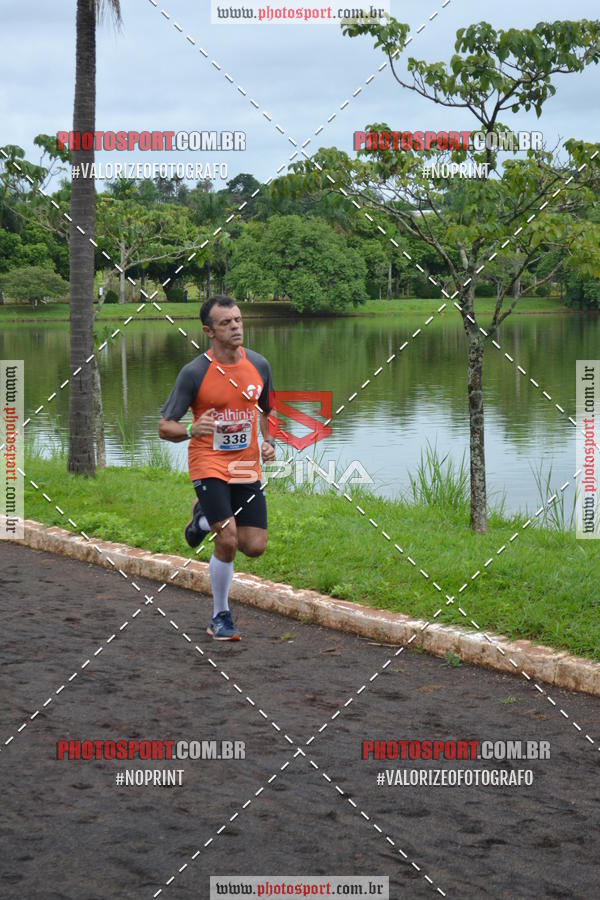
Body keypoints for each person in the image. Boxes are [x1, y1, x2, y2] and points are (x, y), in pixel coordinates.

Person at [158, 294, 276, 641]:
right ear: (209, 331)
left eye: (238, 319)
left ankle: (202, 518)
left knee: (253, 545)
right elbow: (165, 427)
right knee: (226, 538)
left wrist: (270, 442)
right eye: (226, 323)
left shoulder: (259, 365)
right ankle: (219, 616)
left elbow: (267, 410)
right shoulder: (195, 373)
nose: (235, 327)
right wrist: (193, 430)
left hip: (245, 467)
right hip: (208, 464)